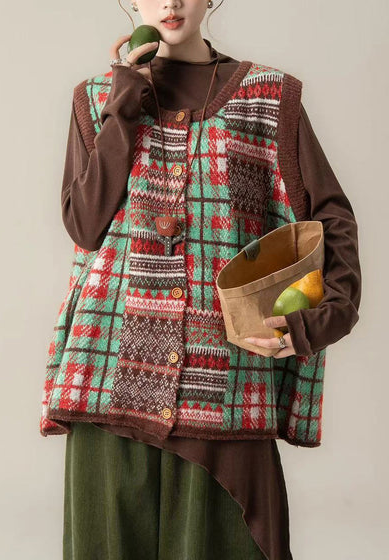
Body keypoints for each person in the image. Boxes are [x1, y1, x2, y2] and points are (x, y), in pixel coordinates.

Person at [41, 1, 362, 559]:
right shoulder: (96, 99)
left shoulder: (268, 98)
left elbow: (330, 219)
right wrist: (125, 98)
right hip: (107, 383)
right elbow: (85, 225)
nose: (169, 3)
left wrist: (316, 322)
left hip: (228, 389)